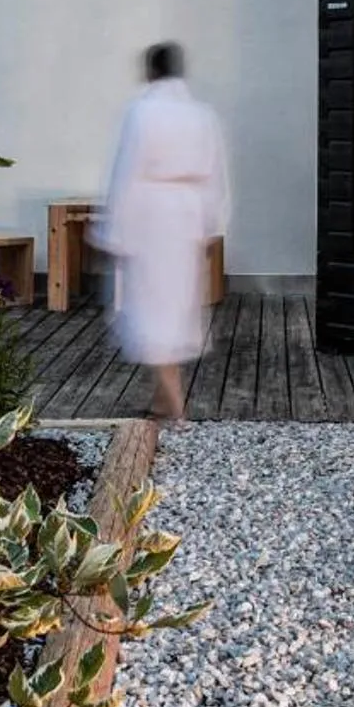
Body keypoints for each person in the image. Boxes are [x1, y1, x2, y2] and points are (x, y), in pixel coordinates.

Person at [97, 43, 231, 423]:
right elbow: (215, 173)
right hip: (187, 212)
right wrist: (210, 222)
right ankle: (161, 399)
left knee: (152, 307)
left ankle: (175, 406)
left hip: (151, 214)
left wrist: (113, 231)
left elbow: (126, 171)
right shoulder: (201, 115)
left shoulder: (142, 112)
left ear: (150, 72)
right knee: (176, 303)